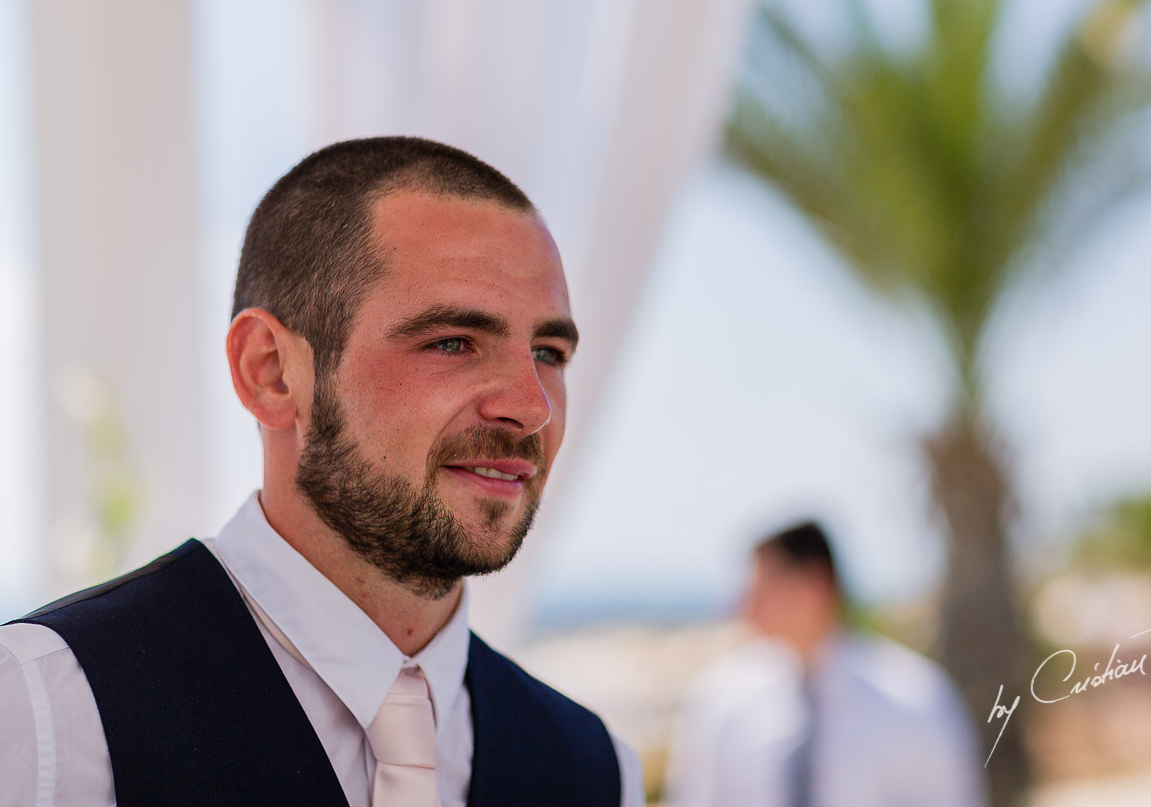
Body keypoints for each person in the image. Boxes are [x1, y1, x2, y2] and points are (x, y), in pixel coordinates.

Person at [0, 136, 643, 806]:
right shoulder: (47, 713)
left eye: (548, 352)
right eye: (452, 342)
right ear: (271, 372)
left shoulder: (594, 769)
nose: (531, 408)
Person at [665, 520, 987, 807]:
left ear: (814, 585)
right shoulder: (720, 699)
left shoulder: (916, 698)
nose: (745, 609)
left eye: (762, 591)